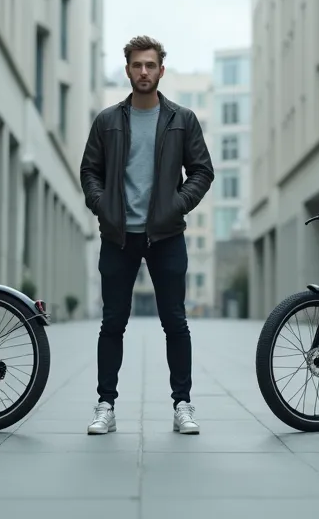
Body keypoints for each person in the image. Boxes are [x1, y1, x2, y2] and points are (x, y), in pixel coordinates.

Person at [79, 35, 215, 435]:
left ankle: (183, 405)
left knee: (175, 322)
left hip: (166, 234)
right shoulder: (107, 121)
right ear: (127, 70)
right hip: (119, 235)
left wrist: (175, 205)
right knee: (112, 323)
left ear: (161, 70)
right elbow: (90, 171)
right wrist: (103, 206)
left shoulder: (181, 119)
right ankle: (106, 405)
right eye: (137, 65)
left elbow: (202, 171)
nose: (143, 72)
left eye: (150, 65)